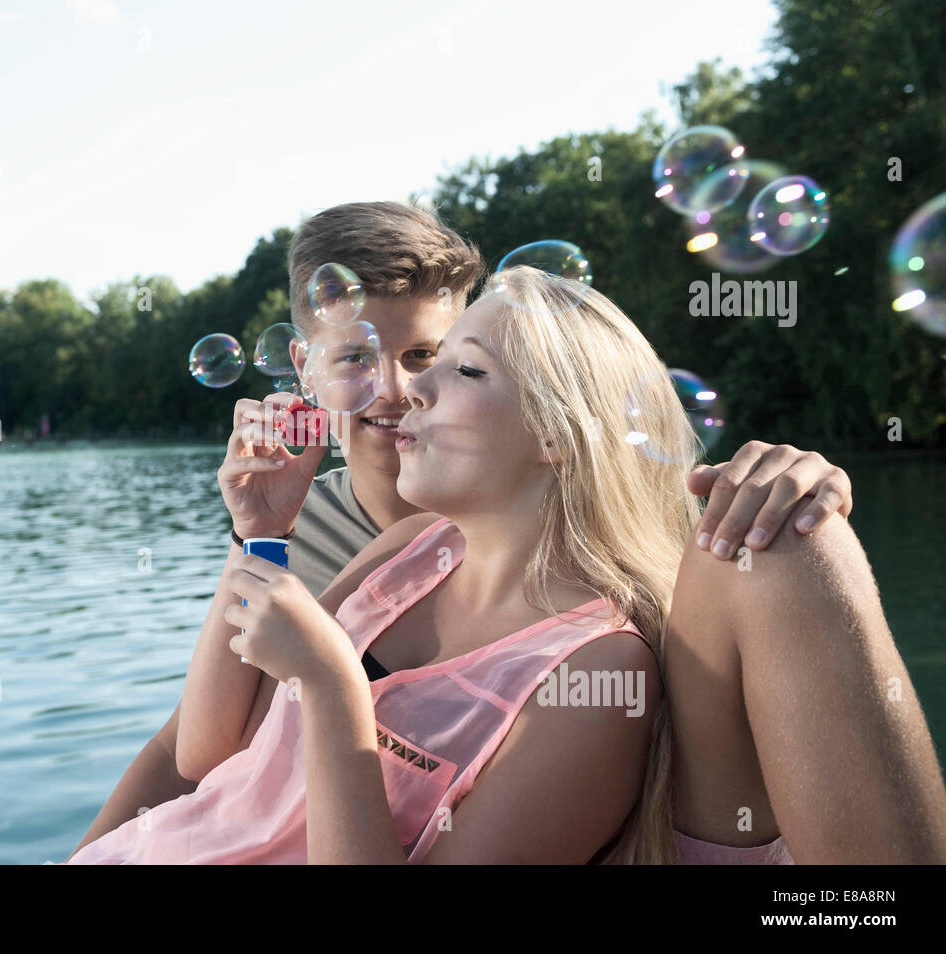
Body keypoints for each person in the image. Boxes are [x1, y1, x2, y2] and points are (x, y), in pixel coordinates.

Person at [64, 264, 946, 864]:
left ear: (560, 435)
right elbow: (207, 749)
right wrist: (256, 532)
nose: (410, 392)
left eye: (464, 372)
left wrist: (335, 690)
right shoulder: (403, 552)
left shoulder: (597, 673)